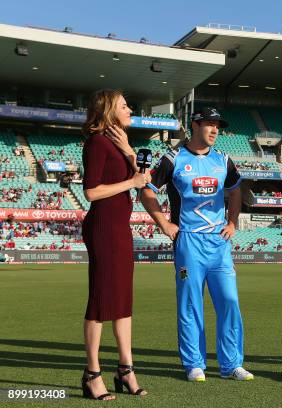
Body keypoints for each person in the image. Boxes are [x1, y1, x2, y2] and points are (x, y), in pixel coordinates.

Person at [141, 107, 253, 382]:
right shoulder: (172, 159)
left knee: (229, 301)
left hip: (219, 242)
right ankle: (194, 364)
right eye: (210, 125)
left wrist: (232, 222)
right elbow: (146, 192)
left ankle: (231, 365)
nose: (215, 130)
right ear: (195, 124)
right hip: (188, 242)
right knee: (190, 304)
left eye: (218, 126)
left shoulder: (223, 159)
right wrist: (164, 224)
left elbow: (235, 190)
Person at [81, 89, 150, 399]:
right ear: (109, 110)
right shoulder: (96, 143)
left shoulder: (119, 144)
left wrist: (129, 151)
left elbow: (145, 179)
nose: (129, 108)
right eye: (124, 105)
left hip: (120, 228)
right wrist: (132, 181)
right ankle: (92, 374)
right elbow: (92, 192)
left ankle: (126, 370)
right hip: (103, 228)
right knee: (100, 300)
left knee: (123, 301)